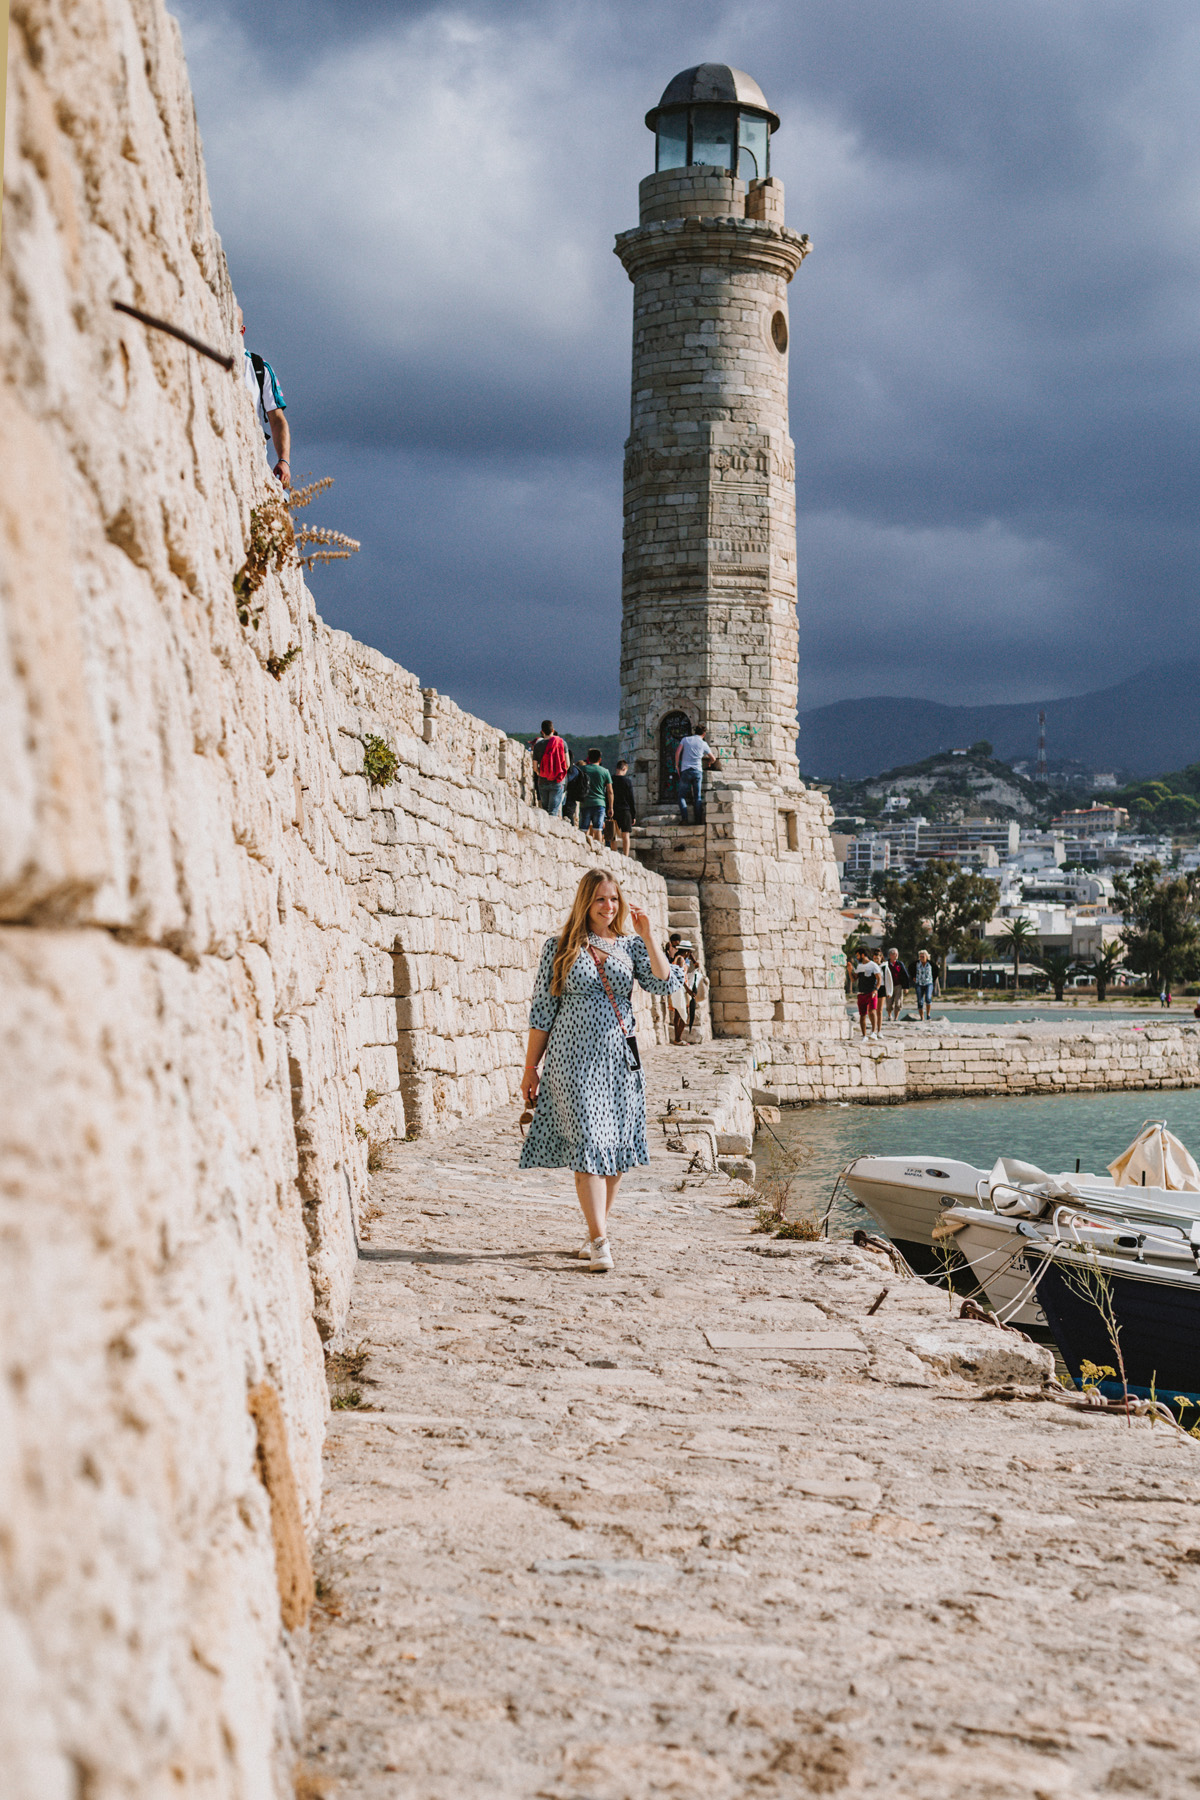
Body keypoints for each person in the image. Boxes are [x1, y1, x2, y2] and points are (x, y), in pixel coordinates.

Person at [519, 870, 682, 1271]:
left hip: (619, 1063)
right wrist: (530, 1068)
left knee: (616, 1151)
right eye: (599, 900)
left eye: (613, 899)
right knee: (589, 1146)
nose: (607, 907)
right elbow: (542, 1012)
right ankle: (600, 1240)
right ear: (584, 903)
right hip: (571, 1061)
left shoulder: (631, 946)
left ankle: (596, 1232)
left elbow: (666, 984)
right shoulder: (558, 948)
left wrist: (648, 935)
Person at [238, 306, 290, 488]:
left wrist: (284, 460)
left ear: (242, 331)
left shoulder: (259, 368)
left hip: (250, 459)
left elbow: (277, 420)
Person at [530, 720, 569, 817]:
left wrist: (541, 774)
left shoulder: (538, 745)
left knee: (545, 811)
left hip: (542, 781)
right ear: (553, 730)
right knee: (553, 812)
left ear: (542, 731)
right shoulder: (562, 743)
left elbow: (535, 767)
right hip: (557, 780)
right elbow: (567, 764)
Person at [674, 724, 709, 825]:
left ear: (695, 732)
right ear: (704, 733)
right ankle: (698, 820)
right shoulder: (704, 744)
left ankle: (685, 819)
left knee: (681, 796)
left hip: (686, 770)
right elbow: (713, 757)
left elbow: (677, 752)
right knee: (697, 797)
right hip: (698, 771)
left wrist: (677, 766)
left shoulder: (685, 740)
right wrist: (710, 762)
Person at [580, 748, 614, 850]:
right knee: (598, 829)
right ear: (600, 759)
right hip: (600, 803)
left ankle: (582, 849)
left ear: (588, 759)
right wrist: (611, 807)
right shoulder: (605, 771)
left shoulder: (583, 769)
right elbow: (610, 791)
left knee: (584, 829)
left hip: (585, 802)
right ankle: (598, 851)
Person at [853, 949, 883, 1038]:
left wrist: (876, 990)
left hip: (871, 992)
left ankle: (873, 1032)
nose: (856, 958)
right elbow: (853, 979)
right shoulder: (859, 966)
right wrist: (850, 970)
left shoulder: (873, 965)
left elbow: (879, 979)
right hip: (861, 993)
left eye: (857, 956)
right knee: (862, 1015)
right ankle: (864, 1035)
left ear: (862, 955)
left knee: (872, 1011)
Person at [611, 759, 637, 856]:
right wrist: (633, 814)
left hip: (612, 809)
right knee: (625, 834)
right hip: (625, 810)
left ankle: (614, 853)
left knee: (612, 834)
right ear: (624, 768)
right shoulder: (627, 782)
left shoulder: (610, 780)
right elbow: (631, 799)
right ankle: (625, 855)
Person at [884, 947, 910, 1022]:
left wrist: (906, 987)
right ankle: (889, 1016)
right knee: (889, 1003)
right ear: (890, 955)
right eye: (894, 954)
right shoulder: (886, 964)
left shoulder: (900, 964)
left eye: (897, 954)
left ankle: (896, 1018)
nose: (896, 955)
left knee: (898, 1003)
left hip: (898, 985)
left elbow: (905, 975)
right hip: (889, 986)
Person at [563, 757, 587, 827]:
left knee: (569, 813)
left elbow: (567, 780)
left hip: (570, 796)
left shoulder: (574, 770)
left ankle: (571, 830)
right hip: (574, 797)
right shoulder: (577, 770)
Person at [913, 949, 935, 1021]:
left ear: (926, 956)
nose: (921, 958)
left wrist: (933, 979)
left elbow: (936, 971)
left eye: (923, 956)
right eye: (920, 956)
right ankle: (922, 1017)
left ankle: (928, 1014)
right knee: (920, 1001)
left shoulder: (930, 964)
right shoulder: (917, 964)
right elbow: (911, 970)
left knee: (928, 998)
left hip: (928, 983)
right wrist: (913, 977)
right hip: (919, 983)